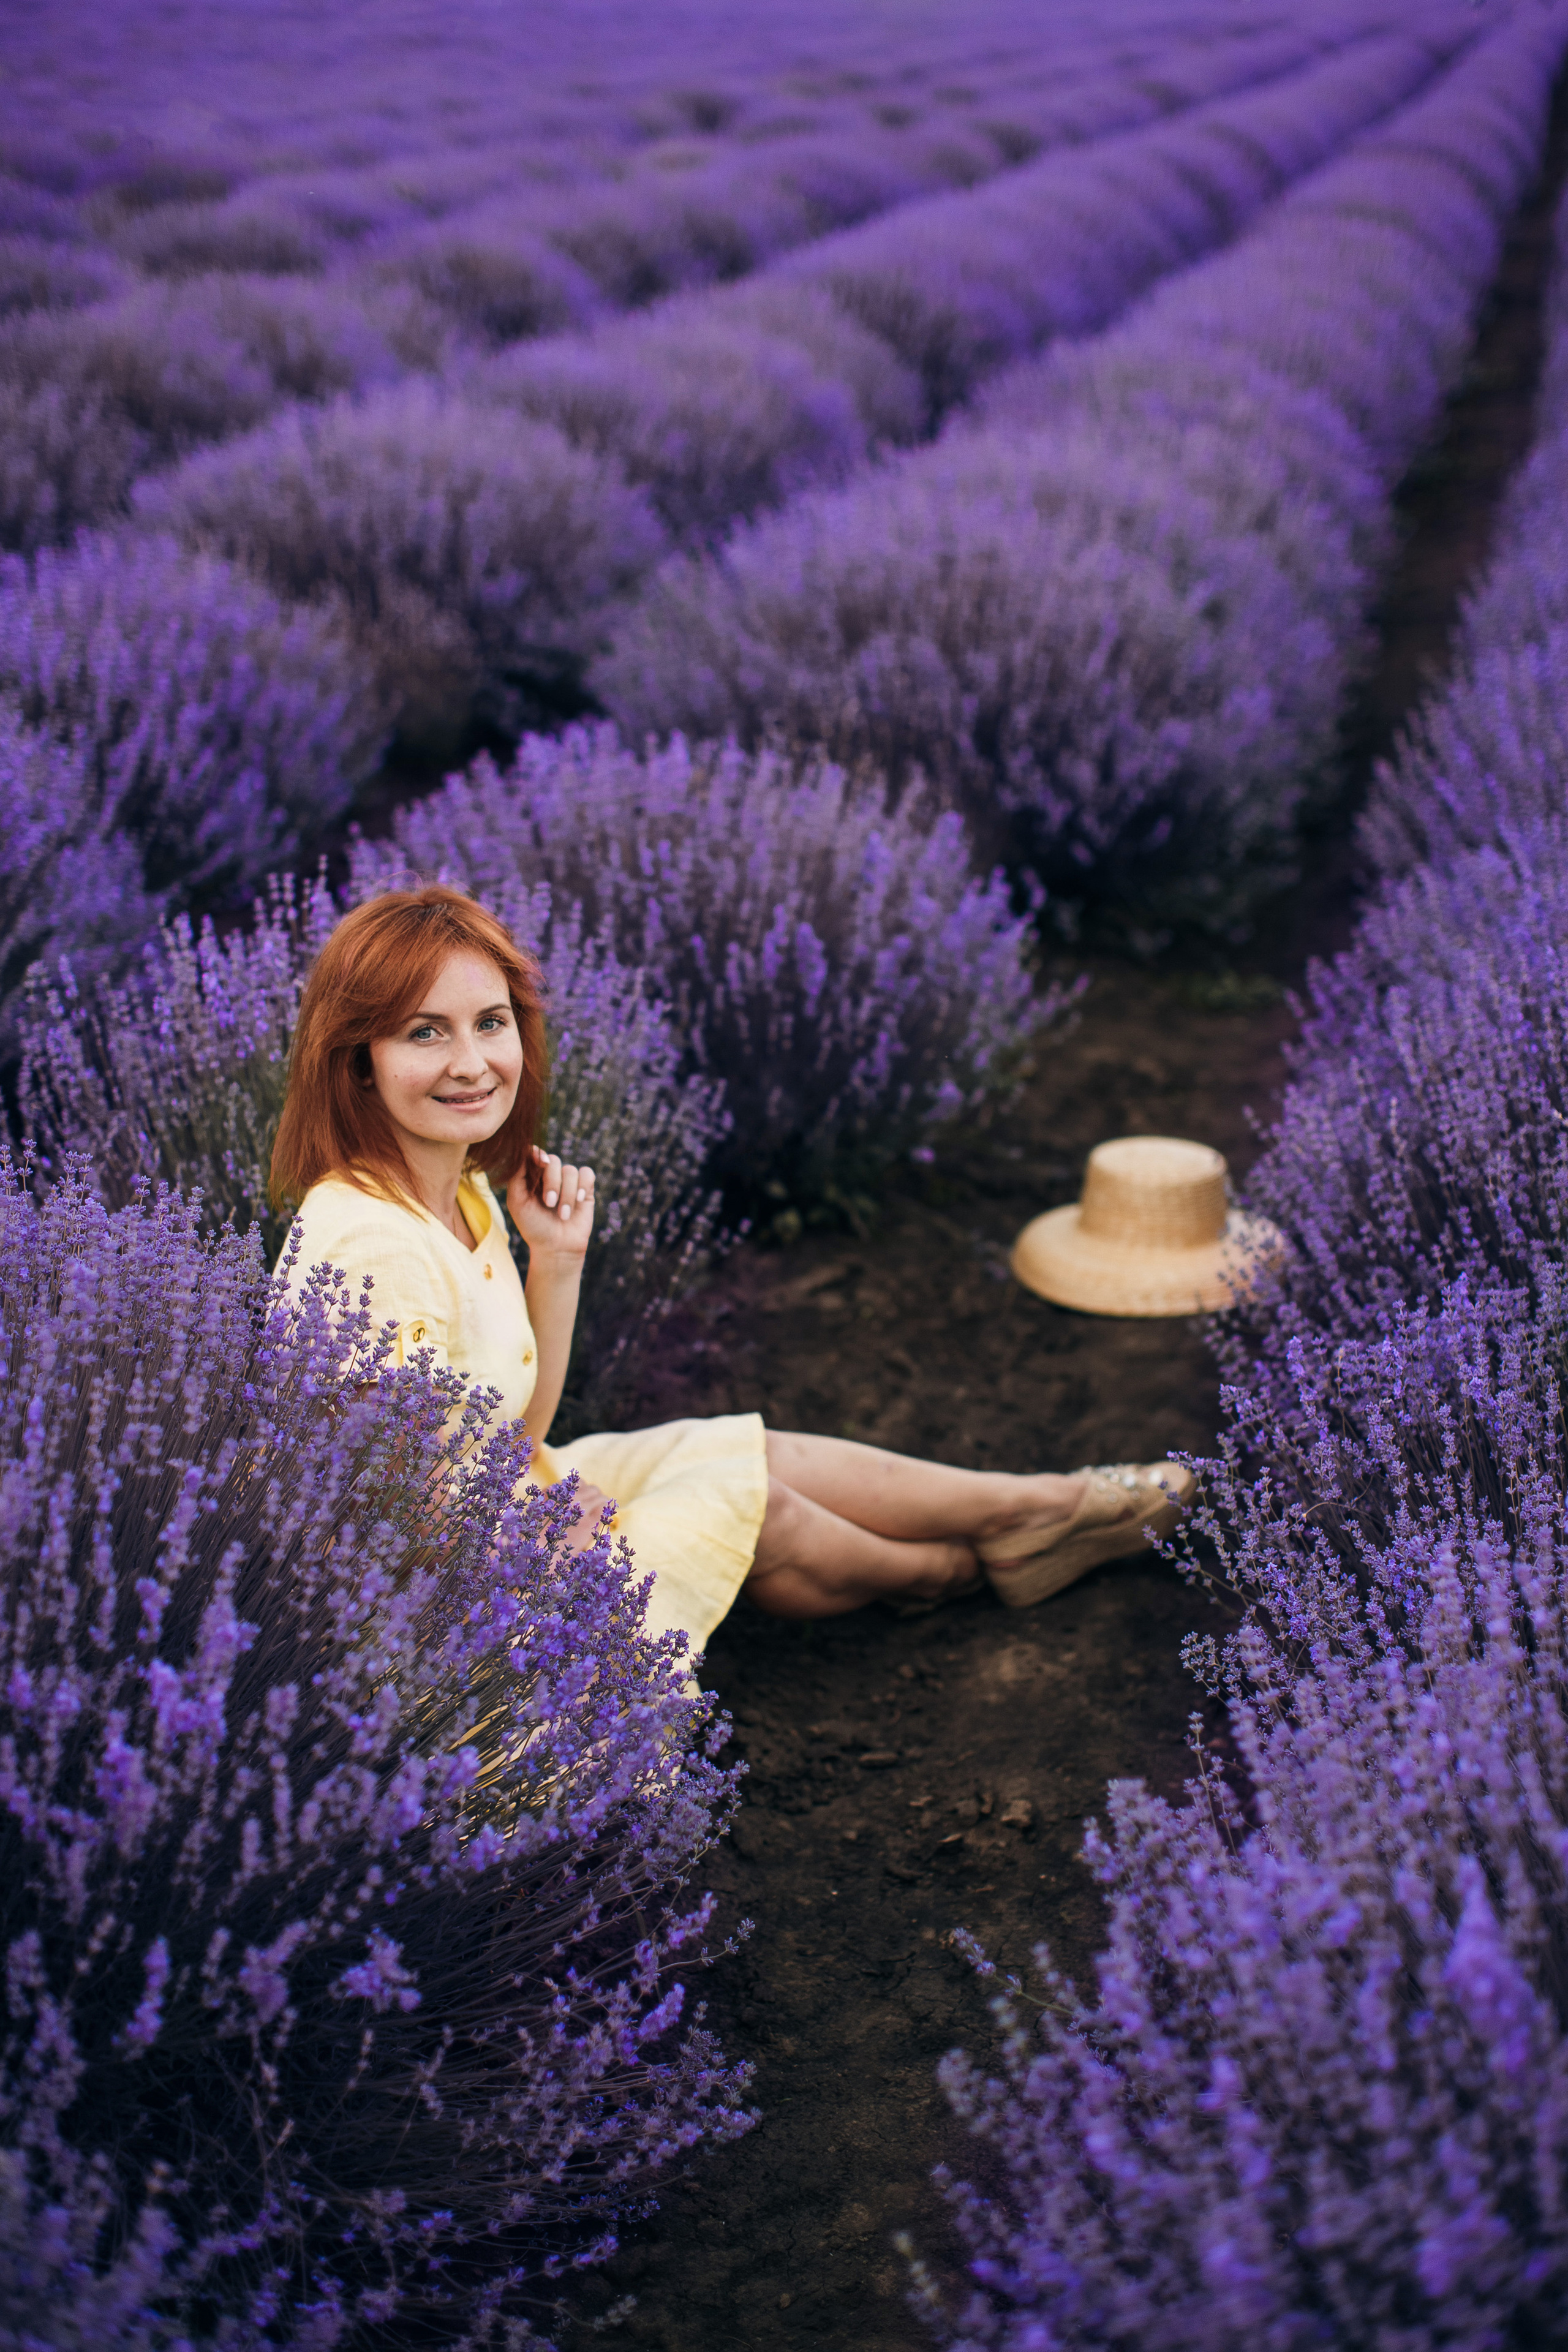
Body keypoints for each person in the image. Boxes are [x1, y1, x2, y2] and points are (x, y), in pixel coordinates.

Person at [270, 886, 1192, 1661]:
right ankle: (959, 1569)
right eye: (425, 1033)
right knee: (748, 1500)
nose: (472, 1064)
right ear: (359, 1062)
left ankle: (1036, 1508)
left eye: (490, 1023)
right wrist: (548, 1532)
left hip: (510, 1507)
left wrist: (557, 1259)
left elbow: (515, 1438)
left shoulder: (459, 1190)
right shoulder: (369, 1246)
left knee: (746, 1453)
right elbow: (395, 1528)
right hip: (466, 1619)